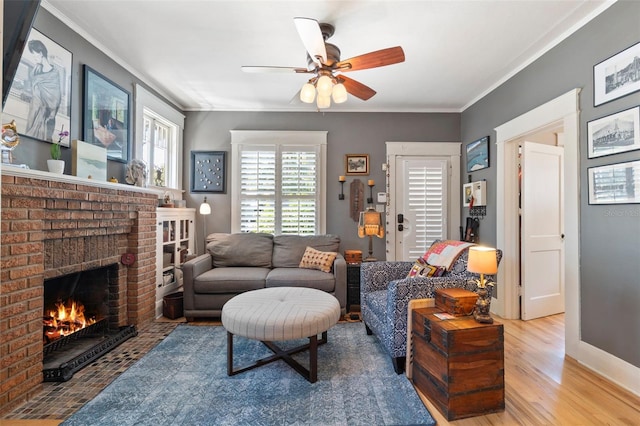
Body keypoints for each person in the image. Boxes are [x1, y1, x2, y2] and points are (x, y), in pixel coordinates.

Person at [24, 40, 62, 142]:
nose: (34, 58)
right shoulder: (36, 69)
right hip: (33, 110)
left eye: (35, 55)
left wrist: (49, 111)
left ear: (40, 53)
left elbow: (56, 98)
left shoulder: (54, 74)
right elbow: (33, 89)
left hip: (45, 115)